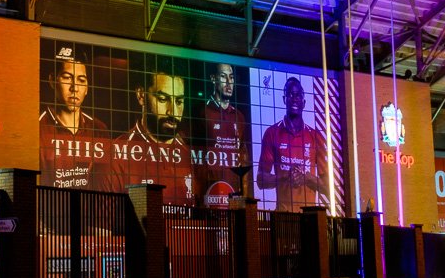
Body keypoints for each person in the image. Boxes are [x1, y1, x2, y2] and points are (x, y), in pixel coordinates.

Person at [104, 63, 195, 207]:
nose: (173, 112)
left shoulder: (190, 154)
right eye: (163, 99)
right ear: (141, 95)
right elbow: (99, 229)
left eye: (179, 101)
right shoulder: (115, 156)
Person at [39, 46, 109, 189]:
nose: (75, 87)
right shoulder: (38, 128)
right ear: (53, 80)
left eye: (81, 80)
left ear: (87, 87)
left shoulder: (99, 129)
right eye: (67, 78)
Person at [257, 77, 329, 212]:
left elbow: (328, 188)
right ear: (284, 99)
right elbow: (261, 180)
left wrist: (306, 177)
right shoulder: (272, 133)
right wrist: (286, 176)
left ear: (304, 102)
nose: (294, 98)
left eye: (298, 95)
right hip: (282, 217)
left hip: (309, 217)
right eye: (290, 94)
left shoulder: (316, 137)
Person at [193, 62, 250, 201]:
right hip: (209, 191)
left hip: (233, 192)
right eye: (224, 77)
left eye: (231, 77)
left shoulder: (239, 116)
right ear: (213, 78)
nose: (229, 82)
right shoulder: (202, 112)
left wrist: (245, 194)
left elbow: (243, 157)